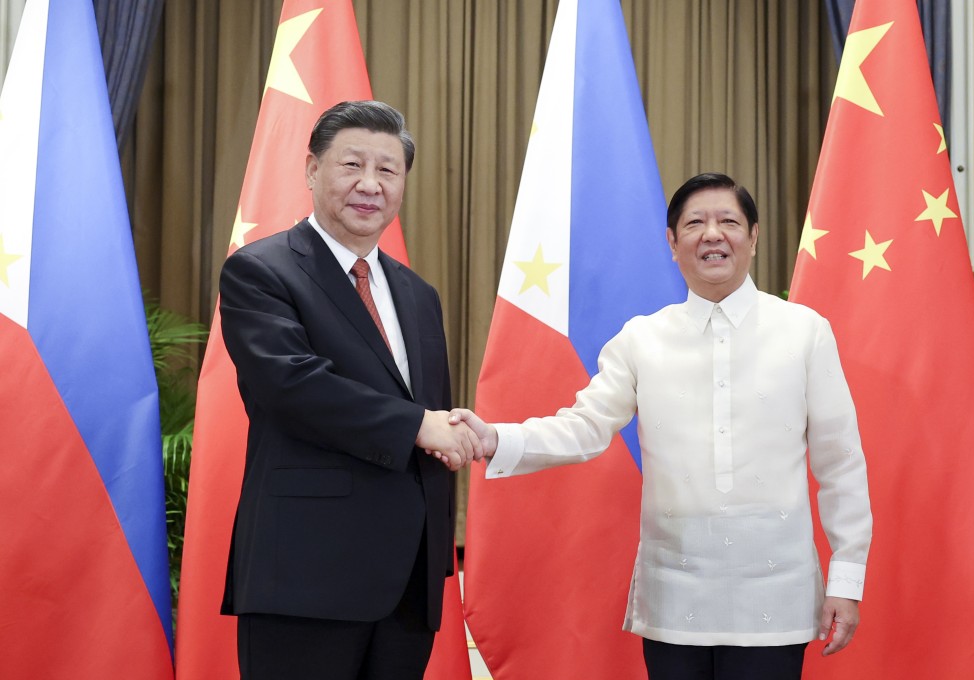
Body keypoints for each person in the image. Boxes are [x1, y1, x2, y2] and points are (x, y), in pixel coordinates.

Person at [453, 173, 873, 680]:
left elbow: (841, 464)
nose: (712, 234)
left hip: (777, 597)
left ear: (754, 236)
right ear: (672, 243)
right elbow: (585, 426)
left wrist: (846, 581)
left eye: (728, 221)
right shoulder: (642, 339)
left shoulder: (805, 331)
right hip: (675, 598)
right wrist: (496, 438)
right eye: (695, 224)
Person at [218, 100, 479, 680]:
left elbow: (427, 410)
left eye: (388, 170)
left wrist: (448, 431)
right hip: (305, 573)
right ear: (312, 170)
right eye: (352, 165)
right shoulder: (261, 270)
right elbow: (291, 385)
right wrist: (419, 426)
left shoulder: (419, 295)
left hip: (408, 582)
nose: (370, 184)